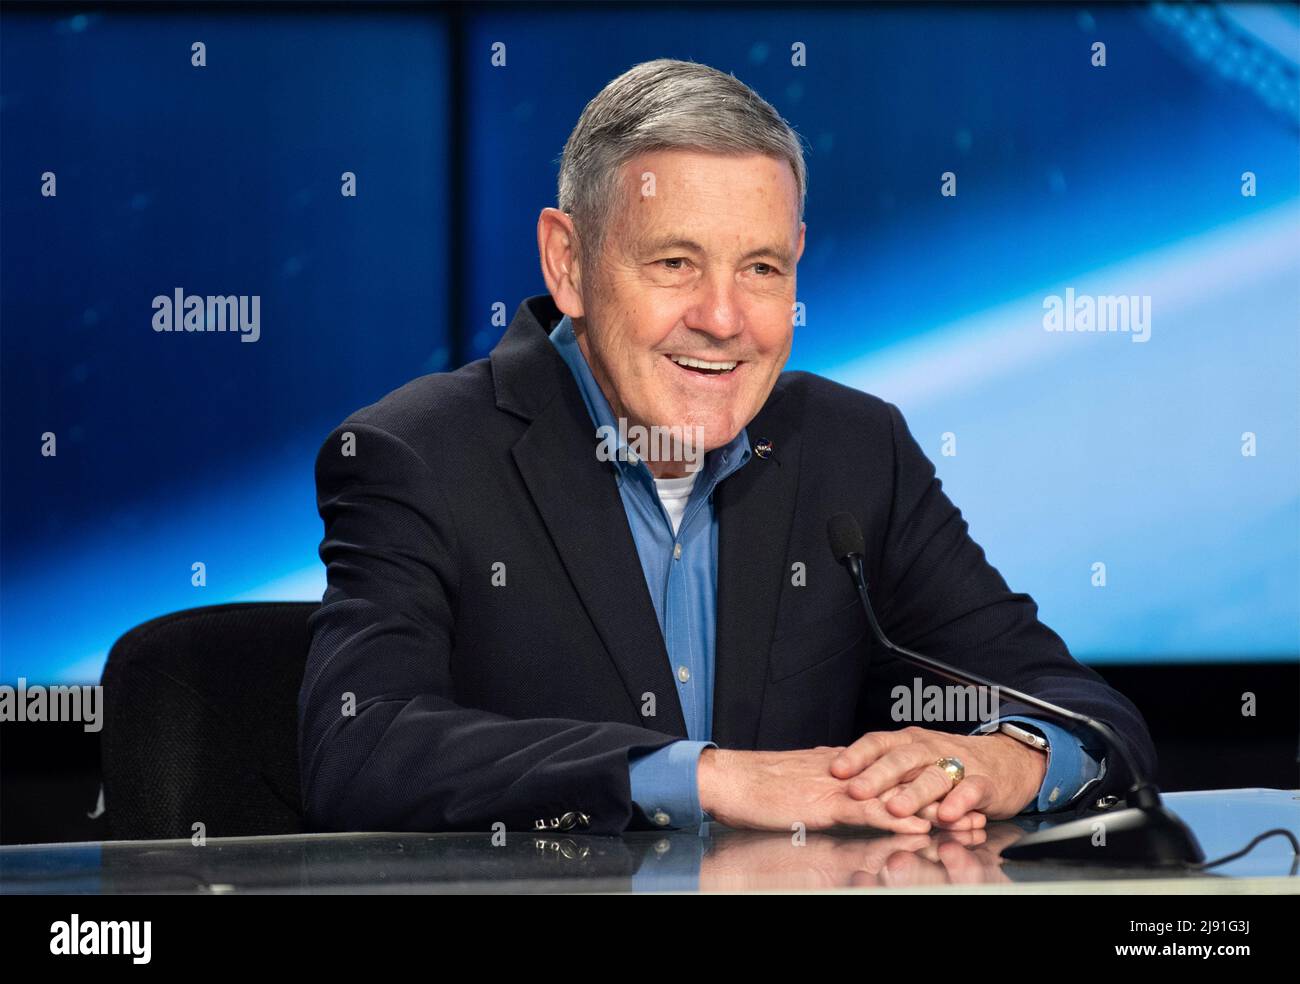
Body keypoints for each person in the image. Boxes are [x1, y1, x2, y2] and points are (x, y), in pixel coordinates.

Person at [298, 58, 1154, 836]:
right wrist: (703, 779)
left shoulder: (857, 451)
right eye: (674, 263)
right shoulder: (418, 454)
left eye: (761, 269)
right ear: (568, 263)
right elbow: (361, 746)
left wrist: (1005, 760)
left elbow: (1087, 714)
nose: (722, 318)